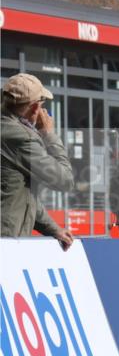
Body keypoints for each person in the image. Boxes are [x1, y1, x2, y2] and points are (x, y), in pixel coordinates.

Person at [0, 73, 75, 248]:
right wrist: (48, 134)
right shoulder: (21, 137)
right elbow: (65, 181)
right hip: (7, 244)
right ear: (34, 108)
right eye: (42, 105)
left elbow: (18, 195)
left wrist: (54, 229)